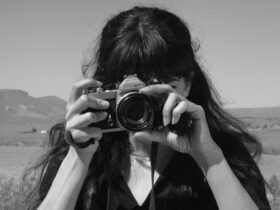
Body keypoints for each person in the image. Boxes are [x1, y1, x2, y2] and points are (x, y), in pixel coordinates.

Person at [24, 6, 271, 210]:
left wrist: (208, 156)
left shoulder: (222, 153)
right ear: (107, 90)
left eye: (161, 87)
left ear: (187, 84)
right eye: (132, 90)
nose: (143, 103)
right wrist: (79, 156)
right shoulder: (85, 150)